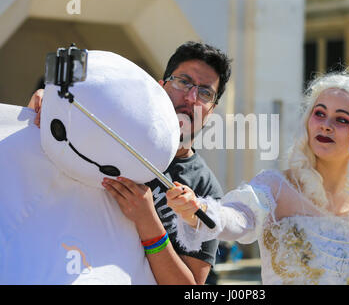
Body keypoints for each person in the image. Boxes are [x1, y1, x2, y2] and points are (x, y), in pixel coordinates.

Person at [166, 48, 349, 284]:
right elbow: (237, 218)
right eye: (319, 113)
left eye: (341, 119)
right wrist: (199, 210)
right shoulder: (275, 187)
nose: (325, 125)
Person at [28, 41, 232, 284]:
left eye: (205, 93)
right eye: (183, 82)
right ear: (161, 86)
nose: (191, 98)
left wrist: (148, 222)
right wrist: (49, 104)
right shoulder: (112, 129)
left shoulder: (206, 190)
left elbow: (191, 286)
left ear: (212, 109)